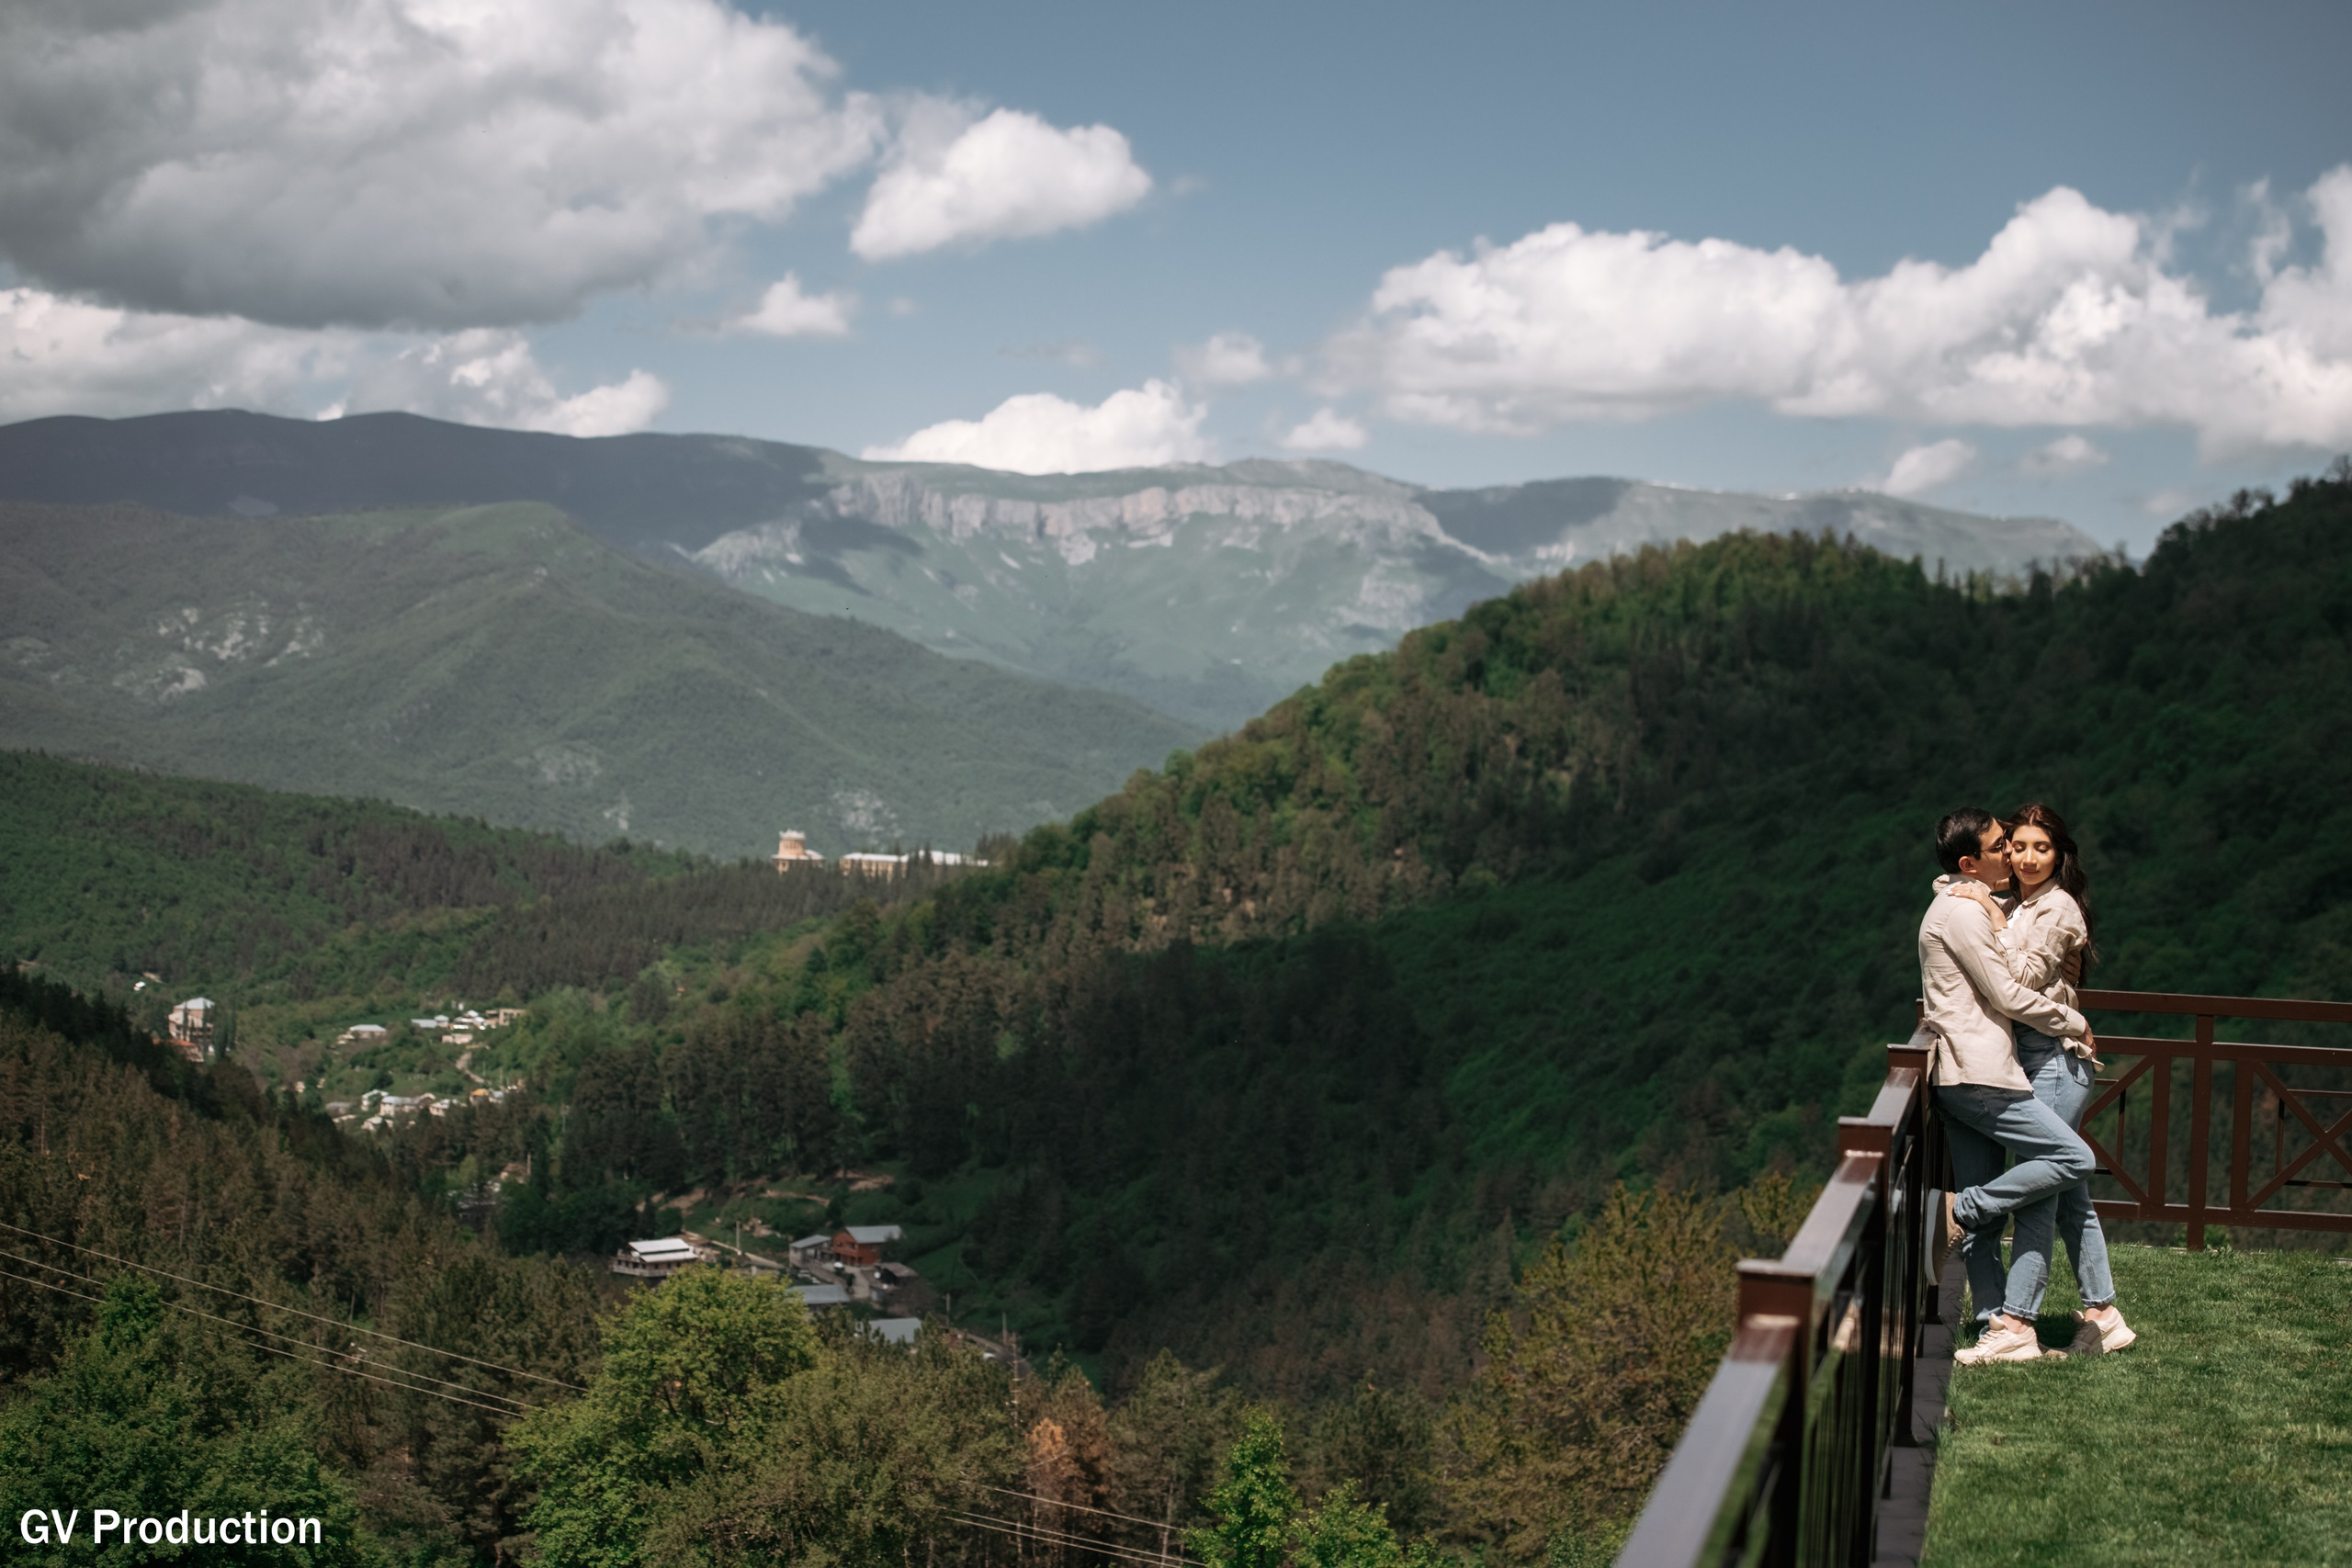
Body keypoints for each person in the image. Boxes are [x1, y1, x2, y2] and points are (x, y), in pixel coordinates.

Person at [1942, 804, 2135, 1356]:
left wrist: (1994, 920)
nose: (2026, 858)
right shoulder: (2015, 901)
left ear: (2060, 854)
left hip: (2055, 1056)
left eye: (2040, 848)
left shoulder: (2057, 909)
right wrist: (1981, 896)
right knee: (2067, 1188)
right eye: (2017, 846)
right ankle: (2102, 1312)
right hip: (2028, 1056)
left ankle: (2017, 1323)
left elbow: (2023, 980)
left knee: (2041, 1187)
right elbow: (1952, 885)